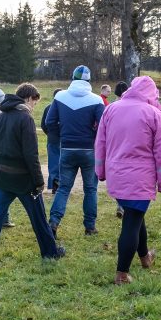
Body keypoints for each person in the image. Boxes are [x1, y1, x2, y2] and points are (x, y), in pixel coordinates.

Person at [0, 83, 64, 270]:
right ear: (29, 98)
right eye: (35, 102)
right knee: (39, 218)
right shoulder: (25, 119)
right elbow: (31, 154)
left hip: (1, 177)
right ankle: (50, 251)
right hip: (24, 180)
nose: (34, 107)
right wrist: (39, 181)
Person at [95, 76, 161, 284]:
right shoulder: (153, 114)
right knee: (132, 221)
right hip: (140, 178)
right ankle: (122, 273)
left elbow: (100, 142)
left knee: (135, 214)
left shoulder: (111, 110)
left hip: (117, 176)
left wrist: (100, 171)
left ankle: (145, 257)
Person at [45, 65, 105, 237]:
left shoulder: (60, 96)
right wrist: (93, 137)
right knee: (90, 189)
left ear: (73, 78)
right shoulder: (97, 100)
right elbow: (103, 125)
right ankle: (90, 227)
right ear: (88, 81)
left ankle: (54, 223)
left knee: (64, 188)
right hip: (88, 150)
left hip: (67, 148)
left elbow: (50, 122)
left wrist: (60, 139)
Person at [0, 88, 15, 228]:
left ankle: (3, 218)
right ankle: (3, 218)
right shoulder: (4, 114)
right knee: (0, 190)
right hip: (2, 156)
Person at [112, 80, 131, 219]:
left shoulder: (112, 107)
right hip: (129, 146)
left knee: (118, 178)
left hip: (115, 148)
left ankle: (120, 204)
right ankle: (125, 204)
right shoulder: (132, 106)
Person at [40, 88, 63, 195]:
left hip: (52, 139)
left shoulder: (48, 108)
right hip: (63, 139)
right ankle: (61, 183)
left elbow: (43, 125)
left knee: (53, 162)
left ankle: (54, 184)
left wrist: (49, 133)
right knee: (63, 162)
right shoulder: (65, 108)